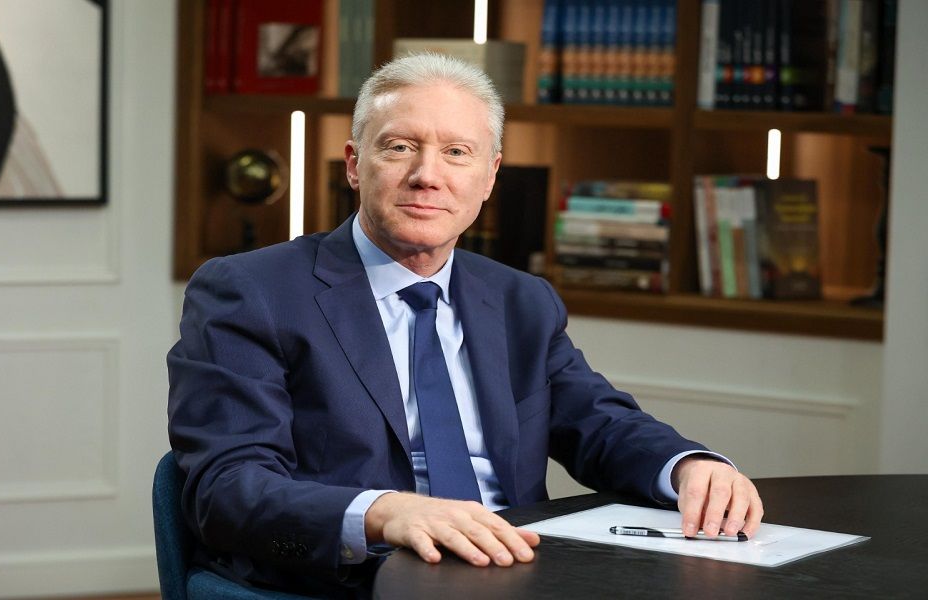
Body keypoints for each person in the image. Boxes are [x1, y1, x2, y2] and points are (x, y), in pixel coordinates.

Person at [167, 53, 763, 598]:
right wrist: (384, 512)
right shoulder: (252, 292)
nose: (427, 174)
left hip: (513, 570)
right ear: (354, 164)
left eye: (457, 152)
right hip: (348, 579)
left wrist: (689, 466)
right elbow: (227, 487)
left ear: (490, 176)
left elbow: (599, 422)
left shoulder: (520, 300)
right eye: (399, 147)